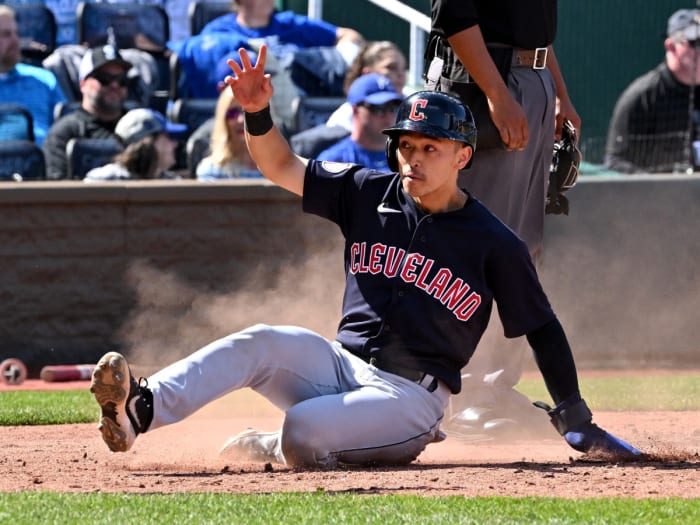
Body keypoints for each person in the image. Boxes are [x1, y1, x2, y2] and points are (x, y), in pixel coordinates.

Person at [89, 45, 641, 468]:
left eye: (431, 148)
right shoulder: (366, 190)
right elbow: (281, 165)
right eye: (406, 145)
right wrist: (259, 114)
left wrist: (574, 413)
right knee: (259, 340)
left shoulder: (493, 240)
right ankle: (142, 408)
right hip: (339, 364)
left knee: (302, 431)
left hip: (410, 399)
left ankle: (280, 446)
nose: (414, 159)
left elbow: (541, 326)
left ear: (464, 156)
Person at [426, 0, 582, 439]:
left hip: (530, 78)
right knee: (474, 250)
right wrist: (497, 94)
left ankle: (494, 388)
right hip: (482, 84)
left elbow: (533, 28)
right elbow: (455, 15)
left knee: (519, 249)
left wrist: (559, 94)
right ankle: (463, 395)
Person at [171, 0, 364, 98]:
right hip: (249, 106)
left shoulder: (290, 24)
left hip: (300, 102)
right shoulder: (218, 31)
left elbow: (349, 35)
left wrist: (342, 58)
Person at [605, 9, 700, 174]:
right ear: (671, 46)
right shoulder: (642, 97)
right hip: (656, 196)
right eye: (695, 43)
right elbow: (615, 162)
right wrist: (661, 190)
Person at [42, 45, 133, 180]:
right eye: (104, 79)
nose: (114, 85)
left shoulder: (138, 126)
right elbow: (56, 187)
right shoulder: (65, 132)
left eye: (121, 80)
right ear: (83, 84)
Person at [0, 5, 66, 145]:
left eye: (16, 33)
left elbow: (67, 126)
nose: (15, 41)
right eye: (6, 35)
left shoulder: (44, 79)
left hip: (43, 161)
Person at [316, 73, 402, 172]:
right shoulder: (334, 161)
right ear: (355, 110)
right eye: (379, 108)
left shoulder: (407, 158)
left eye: (394, 107)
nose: (388, 115)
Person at [326, 40, 408, 132]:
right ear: (367, 74)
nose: (401, 74)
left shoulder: (415, 106)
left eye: (404, 68)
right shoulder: (344, 117)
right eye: (391, 67)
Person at [83, 108, 185, 181]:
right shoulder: (104, 181)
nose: (174, 144)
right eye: (168, 138)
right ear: (149, 142)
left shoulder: (173, 183)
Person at [196, 86, 262, 180]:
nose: (241, 120)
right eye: (232, 113)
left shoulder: (282, 168)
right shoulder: (211, 171)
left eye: (249, 111)